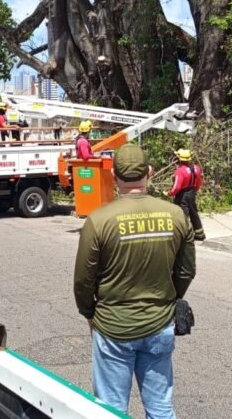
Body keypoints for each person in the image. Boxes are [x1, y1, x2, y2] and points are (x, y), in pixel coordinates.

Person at [74, 144, 196, 418]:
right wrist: (171, 298)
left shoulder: (99, 220)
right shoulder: (176, 215)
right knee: (161, 408)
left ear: (114, 175)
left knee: (112, 410)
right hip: (159, 323)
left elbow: (84, 280)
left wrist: (89, 313)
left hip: (114, 326)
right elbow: (186, 270)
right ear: (149, 172)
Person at [168, 148, 206, 241]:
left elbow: (176, 187)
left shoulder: (180, 171)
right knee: (194, 213)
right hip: (192, 193)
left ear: (179, 159)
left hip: (182, 195)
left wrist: (170, 193)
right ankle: (200, 234)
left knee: (182, 215)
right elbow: (199, 181)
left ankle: (183, 236)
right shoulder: (197, 168)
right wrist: (195, 190)